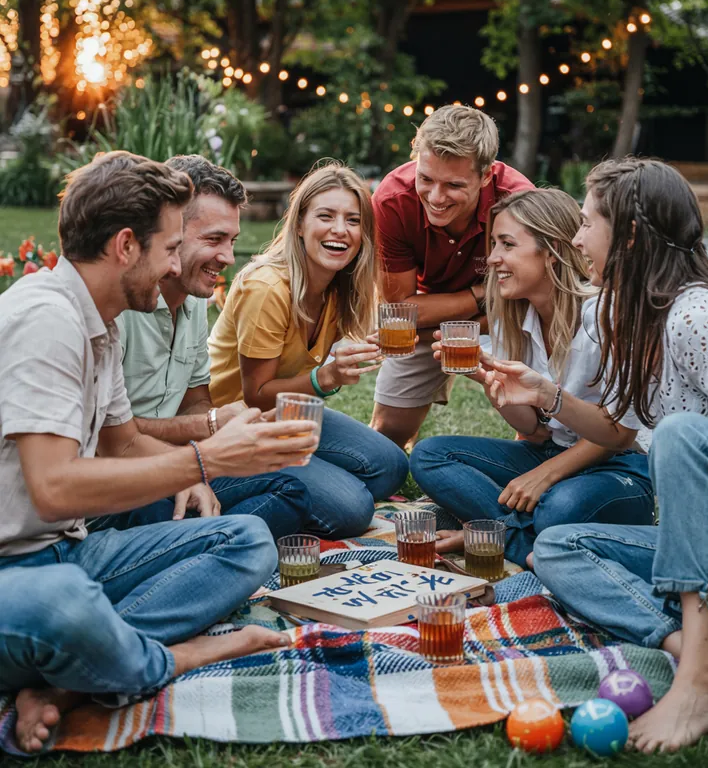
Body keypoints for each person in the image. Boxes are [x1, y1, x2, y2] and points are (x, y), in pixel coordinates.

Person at [0, 152, 320, 753]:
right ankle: (169, 658)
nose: (177, 265)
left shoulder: (103, 320)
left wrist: (191, 479)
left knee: (245, 538)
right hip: (20, 572)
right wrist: (207, 459)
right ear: (126, 246)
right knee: (62, 605)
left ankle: (74, 674)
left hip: (62, 551)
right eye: (171, 249)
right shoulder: (46, 318)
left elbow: (122, 443)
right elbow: (54, 487)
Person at [482, 158, 708, 753]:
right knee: (559, 548)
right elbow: (608, 425)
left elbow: (660, 441)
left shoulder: (696, 316)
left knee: (680, 434)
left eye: (587, 223)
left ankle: (702, 680)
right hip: (695, 543)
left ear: (631, 235)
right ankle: (684, 645)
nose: (578, 238)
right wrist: (542, 395)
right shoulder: (640, 318)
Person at [409, 188, 653, 567]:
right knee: (430, 455)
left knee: (558, 505)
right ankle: (525, 540)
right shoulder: (513, 317)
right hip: (551, 450)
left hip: (622, 464)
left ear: (552, 250)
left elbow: (620, 433)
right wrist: (486, 378)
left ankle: (494, 534)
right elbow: (535, 430)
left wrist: (545, 475)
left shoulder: (606, 316)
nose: (492, 259)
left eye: (507, 244)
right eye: (493, 244)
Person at [105, 155, 311, 538]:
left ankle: (207, 542)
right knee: (155, 513)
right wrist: (209, 428)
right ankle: (221, 544)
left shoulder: (196, 299)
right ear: (170, 231)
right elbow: (112, 438)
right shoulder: (118, 305)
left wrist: (229, 434)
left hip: (181, 459)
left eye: (231, 241)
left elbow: (196, 399)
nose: (228, 258)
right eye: (214, 239)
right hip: (121, 471)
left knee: (291, 489)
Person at [210, 162, 409, 538]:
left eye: (353, 220)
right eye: (326, 216)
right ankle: (234, 505)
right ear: (299, 224)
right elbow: (254, 397)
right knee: (352, 508)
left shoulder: (338, 286)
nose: (340, 230)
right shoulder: (267, 287)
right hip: (236, 425)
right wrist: (326, 377)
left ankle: (299, 482)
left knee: (392, 466)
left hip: (288, 417)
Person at [370, 104, 533, 448]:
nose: (436, 197)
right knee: (387, 438)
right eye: (426, 179)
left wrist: (475, 315)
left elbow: (527, 300)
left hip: (504, 319)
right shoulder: (392, 201)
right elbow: (400, 308)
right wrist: (478, 296)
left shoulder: (519, 202)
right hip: (430, 322)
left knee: (538, 426)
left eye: (454, 185)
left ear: (487, 174)